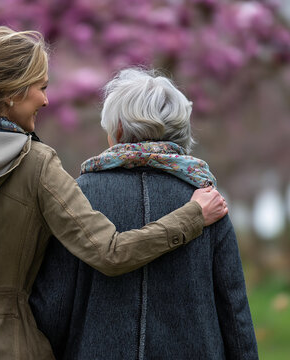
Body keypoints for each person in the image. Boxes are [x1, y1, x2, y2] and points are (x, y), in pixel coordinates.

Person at [0, 27, 228, 359]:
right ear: (11, 93)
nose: (46, 100)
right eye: (41, 87)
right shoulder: (36, 164)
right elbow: (110, 253)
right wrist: (192, 215)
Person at [30, 68, 259, 359]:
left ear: (119, 130)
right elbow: (234, 308)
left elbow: (52, 305)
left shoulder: (77, 196)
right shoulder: (207, 200)